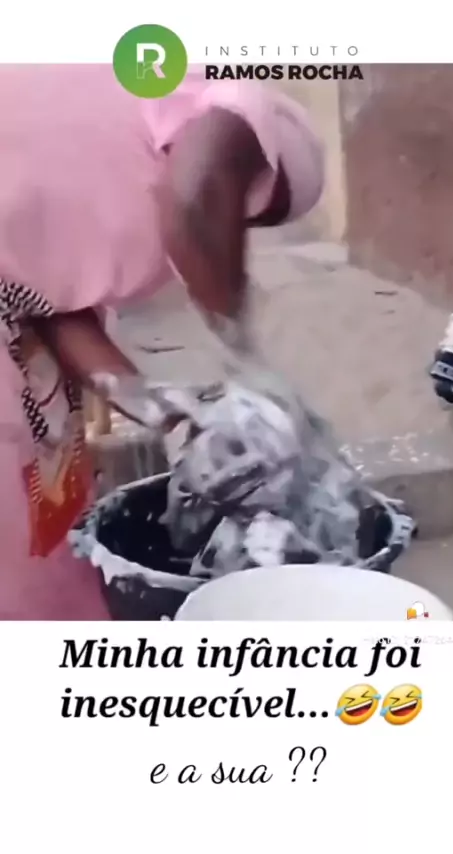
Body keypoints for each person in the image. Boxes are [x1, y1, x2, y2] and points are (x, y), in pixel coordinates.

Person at [0, 65, 324, 620]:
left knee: (48, 553)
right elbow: (194, 200)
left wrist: (168, 415)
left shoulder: (69, 201)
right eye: (249, 208)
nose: (238, 226)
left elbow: (54, 312)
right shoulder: (216, 108)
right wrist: (248, 365)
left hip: (25, 363)